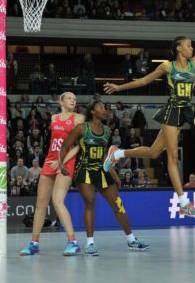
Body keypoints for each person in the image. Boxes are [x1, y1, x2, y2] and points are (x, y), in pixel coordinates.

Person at [103, 13, 195, 217]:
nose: (192, 48)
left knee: (154, 152)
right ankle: (184, 203)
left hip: (184, 112)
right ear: (179, 48)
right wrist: (119, 87)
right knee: (172, 157)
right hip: (172, 110)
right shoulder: (167, 66)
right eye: (189, 45)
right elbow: (143, 81)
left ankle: (117, 153)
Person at [59, 100, 149, 256]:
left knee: (118, 204)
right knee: (90, 202)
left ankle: (131, 240)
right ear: (93, 112)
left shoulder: (107, 131)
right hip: (84, 170)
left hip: (102, 170)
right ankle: (90, 243)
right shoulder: (81, 128)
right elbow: (65, 146)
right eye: (101, 107)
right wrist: (62, 164)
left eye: (105, 108)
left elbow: (105, 155)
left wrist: (113, 173)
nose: (105, 110)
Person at [20, 92, 83, 256]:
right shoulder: (54, 119)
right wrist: (54, 160)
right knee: (40, 204)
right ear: (61, 101)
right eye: (69, 98)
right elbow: (54, 142)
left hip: (66, 162)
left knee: (57, 201)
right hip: (50, 160)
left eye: (75, 99)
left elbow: (78, 146)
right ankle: (34, 243)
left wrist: (61, 161)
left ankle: (73, 242)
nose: (73, 101)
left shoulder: (78, 119)